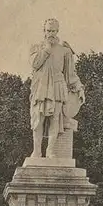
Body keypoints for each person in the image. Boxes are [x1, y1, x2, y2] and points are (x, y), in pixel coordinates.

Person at [29, 18, 85, 158]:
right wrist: (47, 48)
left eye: (54, 31)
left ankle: (50, 151)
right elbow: (35, 64)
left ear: (57, 31)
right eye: (48, 31)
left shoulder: (65, 51)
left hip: (57, 86)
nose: (51, 34)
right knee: (38, 120)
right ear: (44, 31)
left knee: (55, 119)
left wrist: (79, 87)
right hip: (41, 86)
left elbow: (70, 74)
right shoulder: (36, 47)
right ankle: (37, 151)